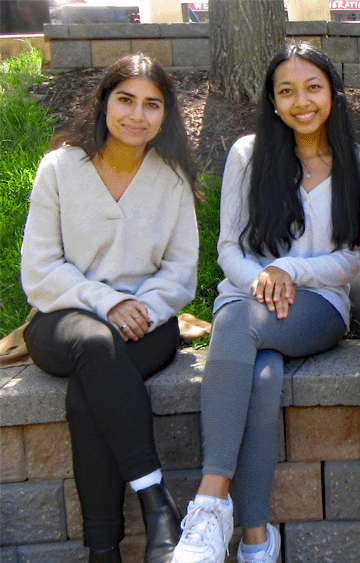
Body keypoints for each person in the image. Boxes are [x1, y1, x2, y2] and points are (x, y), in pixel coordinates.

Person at [170, 43, 360, 563]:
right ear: (273, 101)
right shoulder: (247, 154)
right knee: (260, 378)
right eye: (287, 91)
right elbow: (229, 248)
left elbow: (355, 258)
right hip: (247, 295)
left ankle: (210, 503)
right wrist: (264, 279)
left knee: (237, 326)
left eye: (312, 88)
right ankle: (256, 538)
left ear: (333, 93)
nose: (301, 101)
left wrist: (291, 270)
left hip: (321, 306)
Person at [20, 54, 200, 563]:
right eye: (125, 100)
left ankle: (103, 551)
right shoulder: (60, 168)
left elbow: (181, 272)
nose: (136, 116)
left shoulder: (170, 178)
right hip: (63, 320)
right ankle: (156, 499)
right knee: (96, 345)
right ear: (103, 102)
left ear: (165, 115)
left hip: (150, 322)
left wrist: (140, 307)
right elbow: (39, 269)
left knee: (87, 396)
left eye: (151, 105)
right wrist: (109, 301)